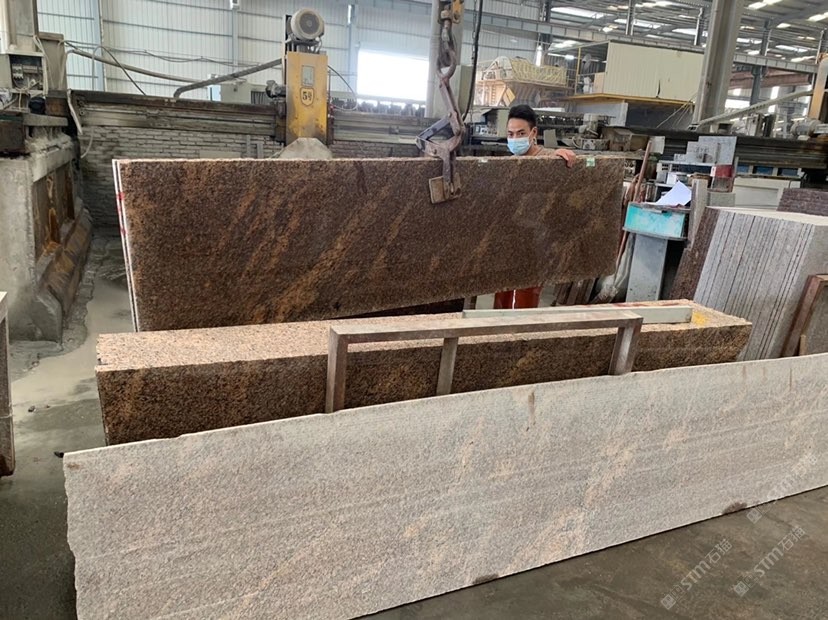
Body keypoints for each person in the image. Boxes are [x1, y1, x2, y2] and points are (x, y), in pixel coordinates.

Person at [493, 104, 577, 310]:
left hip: (536, 244)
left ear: (533, 133)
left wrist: (562, 155)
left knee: (526, 300)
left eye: (521, 133)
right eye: (510, 134)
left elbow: (571, 172)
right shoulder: (509, 164)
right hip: (509, 239)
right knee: (501, 296)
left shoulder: (549, 160)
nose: (515, 138)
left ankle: (523, 331)